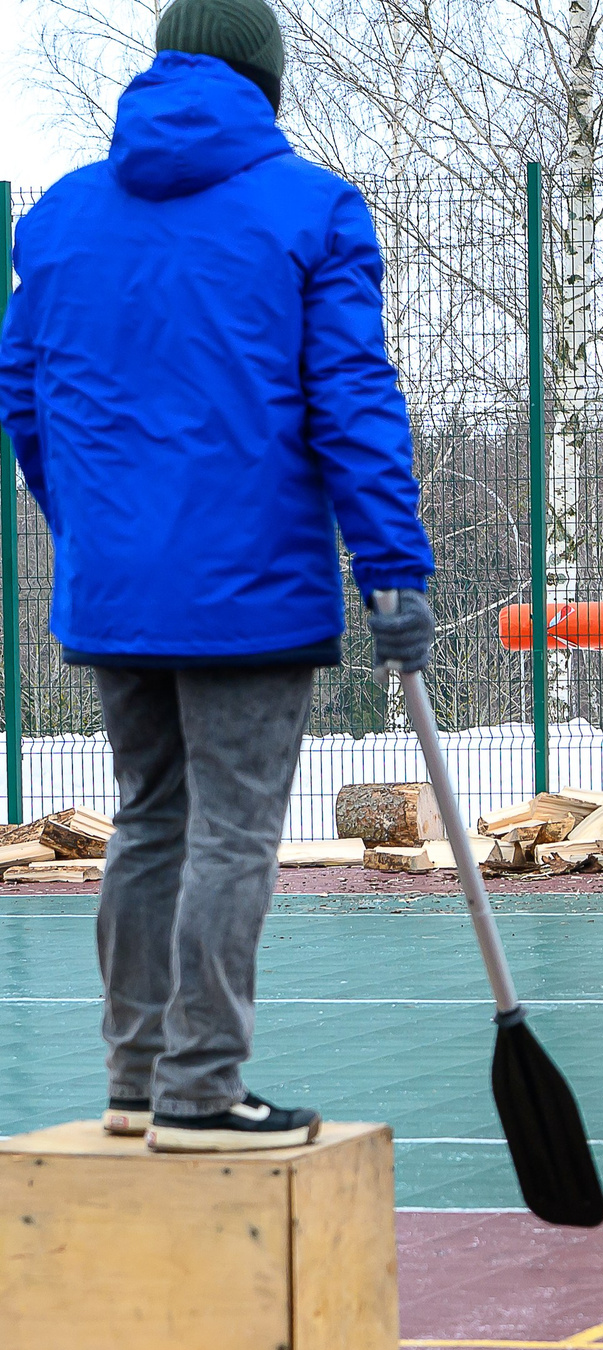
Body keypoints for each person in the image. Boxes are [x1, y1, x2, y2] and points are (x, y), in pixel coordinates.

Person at [0, 0, 436, 1150]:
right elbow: (353, 404)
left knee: (151, 823)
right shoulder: (312, 208)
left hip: (117, 582)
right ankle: (201, 1086)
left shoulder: (60, 217)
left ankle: (138, 1078)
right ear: (265, 77)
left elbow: (26, 405)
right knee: (233, 833)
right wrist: (391, 564)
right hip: (249, 582)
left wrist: (92, 529)